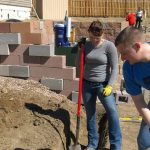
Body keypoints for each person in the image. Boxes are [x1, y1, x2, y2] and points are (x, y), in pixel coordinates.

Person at [77, 20, 122, 150]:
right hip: (87, 85)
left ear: (102, 35)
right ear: (89, 33)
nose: (94, 40)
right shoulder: (86, 45)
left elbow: (114, 68)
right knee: (90, 114)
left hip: (103, 85)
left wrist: (110, 86)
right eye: (91, 37)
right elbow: (79, 65)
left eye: (97, 38)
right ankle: (92, 144)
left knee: (112, 112)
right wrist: (80, 51)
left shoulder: (109, 46)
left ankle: (116, 145)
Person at [115, 26, 150, 150]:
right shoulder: (129, 68)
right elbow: (139, 101)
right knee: (145, 141)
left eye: (124, 53)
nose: (123, 58)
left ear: (137, 46)